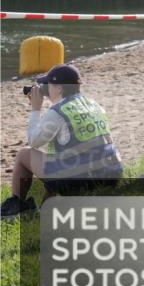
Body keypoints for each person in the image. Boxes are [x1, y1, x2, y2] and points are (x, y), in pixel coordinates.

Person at [2, 64, 123, 218]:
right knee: (58, 158)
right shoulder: (94, 105)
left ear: (59, 88)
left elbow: (33, 141)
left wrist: (35, 109)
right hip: (111, 175)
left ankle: (18, 205)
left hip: (81, 182)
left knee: (24, 155)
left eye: (48, 85)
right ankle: (45, 209)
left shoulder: (58, 111)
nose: (46, 89)